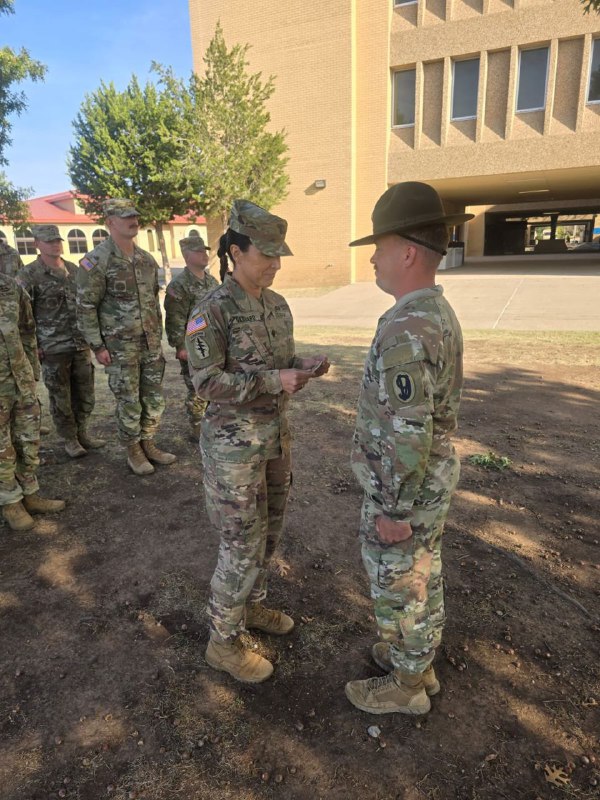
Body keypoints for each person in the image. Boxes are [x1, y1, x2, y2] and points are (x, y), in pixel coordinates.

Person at [186, 199, 329, 684]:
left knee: (269, 535)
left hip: (274, 441)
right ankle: (221, 643)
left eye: (279, 253)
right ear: (235, 251)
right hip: (233, 452)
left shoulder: (277, 306)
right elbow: (204, 384)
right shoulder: (210, 310)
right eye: (266, 253)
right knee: (241, 545)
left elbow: (277, 363)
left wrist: (303, 365)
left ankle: (252, 607)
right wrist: (275, 380)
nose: (275, 263)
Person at [344, 182, 473, 715]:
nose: (373, 257)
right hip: (428, 479)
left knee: (401, 582)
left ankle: (407, 685)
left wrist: (394, 508)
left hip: (407, 488)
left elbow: (406, 430)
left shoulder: (407, 327)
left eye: (380, 245)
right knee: (420, 573)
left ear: (408, 253)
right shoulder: (434, 314)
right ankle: (415, 661)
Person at [76, 199, 176, 476]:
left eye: (134, 215)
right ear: (109, 222)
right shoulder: (95, 261)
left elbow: (154, 303)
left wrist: (159, 336)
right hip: (119, 348)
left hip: (150, 343)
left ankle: (149, 442)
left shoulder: (146, 259)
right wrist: (97, 345)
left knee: (153, 398)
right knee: (129, 400)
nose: (134, 220)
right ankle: (133, 449)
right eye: (125, 217)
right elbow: (85, 306)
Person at [18, 225, 104, 458]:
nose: (55, 244)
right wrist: (34, 345)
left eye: (57, 240)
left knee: (85, 393)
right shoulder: (29, 275)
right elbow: (22, 314)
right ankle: (69, 439)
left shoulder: (75, 270)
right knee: (60, 397)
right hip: (52, 347)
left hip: (79, 343)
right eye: (48, 241)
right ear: (37, 244)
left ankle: (82, 432)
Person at [0, 273, 65, 531]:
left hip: (20, 379)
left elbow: (27, 330)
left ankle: (29, 492)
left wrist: (32, 371)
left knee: (28, 439)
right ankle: (10, 502)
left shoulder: (8, 285)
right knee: (2, 447)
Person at [164, 235, 219, 440]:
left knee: (214, 384)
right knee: (197, 388)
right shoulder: (178, 286)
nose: (204, 255)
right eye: (198, 252)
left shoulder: (211, 280)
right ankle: (197, 427)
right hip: (192, 345)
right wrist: (180, 346)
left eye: (205, 251)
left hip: (214, 344)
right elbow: (175, 319)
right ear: (187, 256)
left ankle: (212, 423)